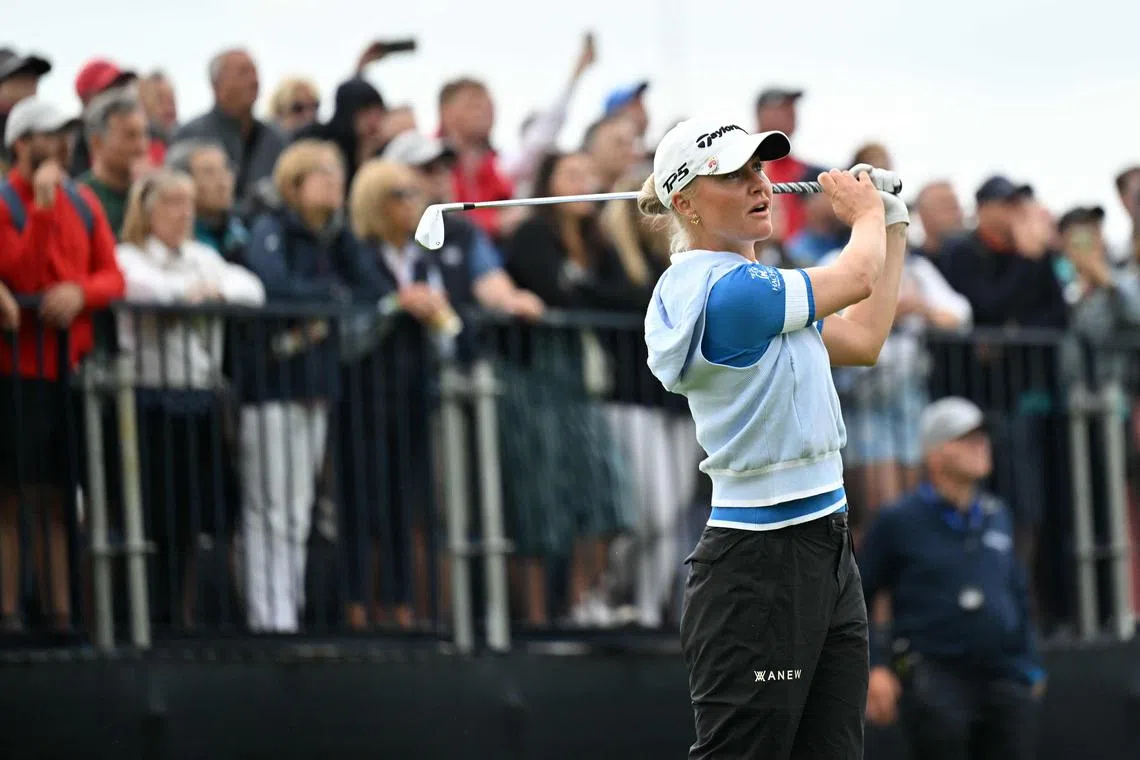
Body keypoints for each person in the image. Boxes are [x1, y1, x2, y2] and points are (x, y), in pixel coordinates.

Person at [640, 116, 910, 759]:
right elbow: (855, 278)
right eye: (732, 176)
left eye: (758, 169)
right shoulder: (727, 291)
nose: (758, 184)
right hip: (759, 565)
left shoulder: (766, 294)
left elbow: (866, 338)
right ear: (684, 202)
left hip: (824, 545)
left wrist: (891, 221)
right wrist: (864, 212)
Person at [860, 397, 1045, 760]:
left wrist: (1030, 664)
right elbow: (855, 597)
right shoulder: (898, 520)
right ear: (935, 455)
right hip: (934, 682)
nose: (981, 446)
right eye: (966, 438)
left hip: (1004, 680)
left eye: (983, 437)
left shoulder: (997, 514)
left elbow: (1018, 592)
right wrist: (875, 666)